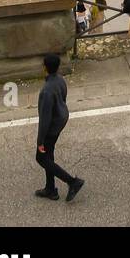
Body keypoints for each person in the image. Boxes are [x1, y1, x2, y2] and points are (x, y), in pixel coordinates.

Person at [35, 53, 84, 203]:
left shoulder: (46, 91)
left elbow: (45, 119)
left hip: (52, 126)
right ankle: (50, 189)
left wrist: (40, 141)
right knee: (48, 155)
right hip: (62, 118)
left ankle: (72, 182)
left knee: (41, 157)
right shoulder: (60, 79)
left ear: (45, 67)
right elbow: (63, 97)